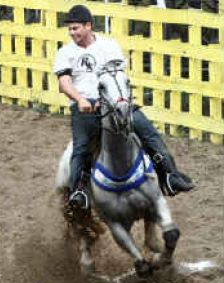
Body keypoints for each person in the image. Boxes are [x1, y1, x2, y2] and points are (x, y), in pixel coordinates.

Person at [53, 4, 194, 211]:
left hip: (114, 102)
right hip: (85, 107)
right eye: (70, 29)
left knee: (148, 132)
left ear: (88, 26)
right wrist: (80, 99)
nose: (72, 33)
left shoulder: (109, 46)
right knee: (81, 146)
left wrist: (112, 100)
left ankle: (169, 175)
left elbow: (117, 76)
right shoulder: (65, 52)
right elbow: (64, 83)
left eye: (75, 28)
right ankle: (79, 190)